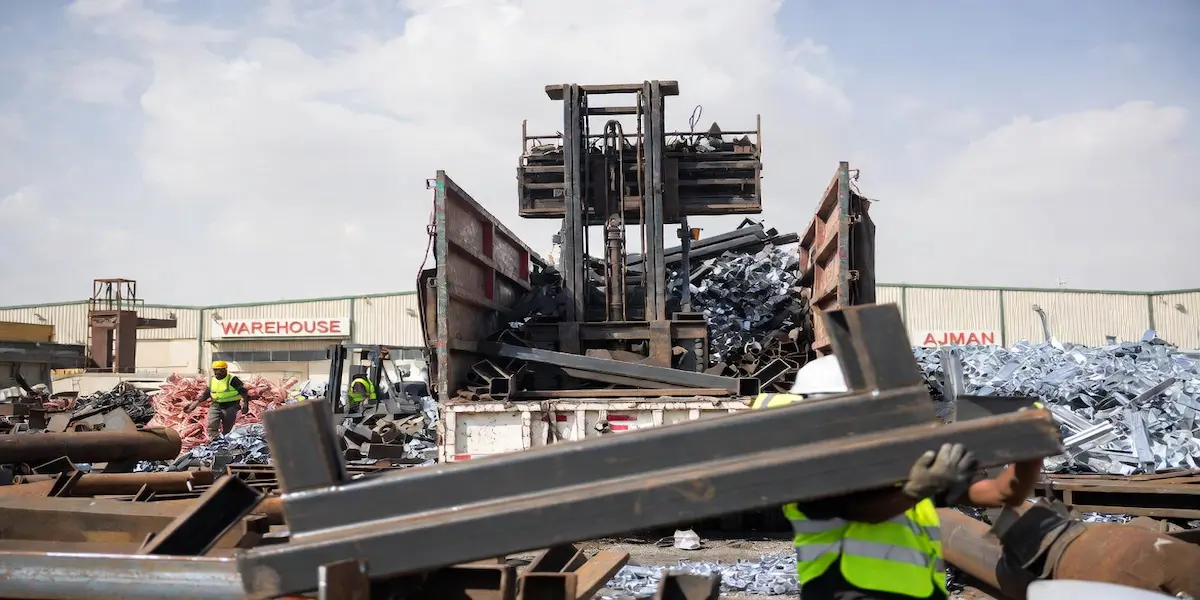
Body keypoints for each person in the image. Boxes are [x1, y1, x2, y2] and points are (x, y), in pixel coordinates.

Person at [756, 355, 1043, 600]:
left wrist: (1032, 451)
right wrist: (917, 489)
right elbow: (863, 511)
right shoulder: (810, 470)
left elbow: (1001, 493)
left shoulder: (905, 463)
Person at [184, 360, 251, 440]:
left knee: (228, 426)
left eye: (220, 370)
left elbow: (244, 392)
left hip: (231, 405)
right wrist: (196, 403)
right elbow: (207, 393)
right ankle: (214, 440)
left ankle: (226, 440)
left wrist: (245, 405)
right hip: (215, 405)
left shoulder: (232, 379)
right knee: (212, 423)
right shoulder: (212, 380)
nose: (218, 372)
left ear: (225, 369)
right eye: (216, 370)